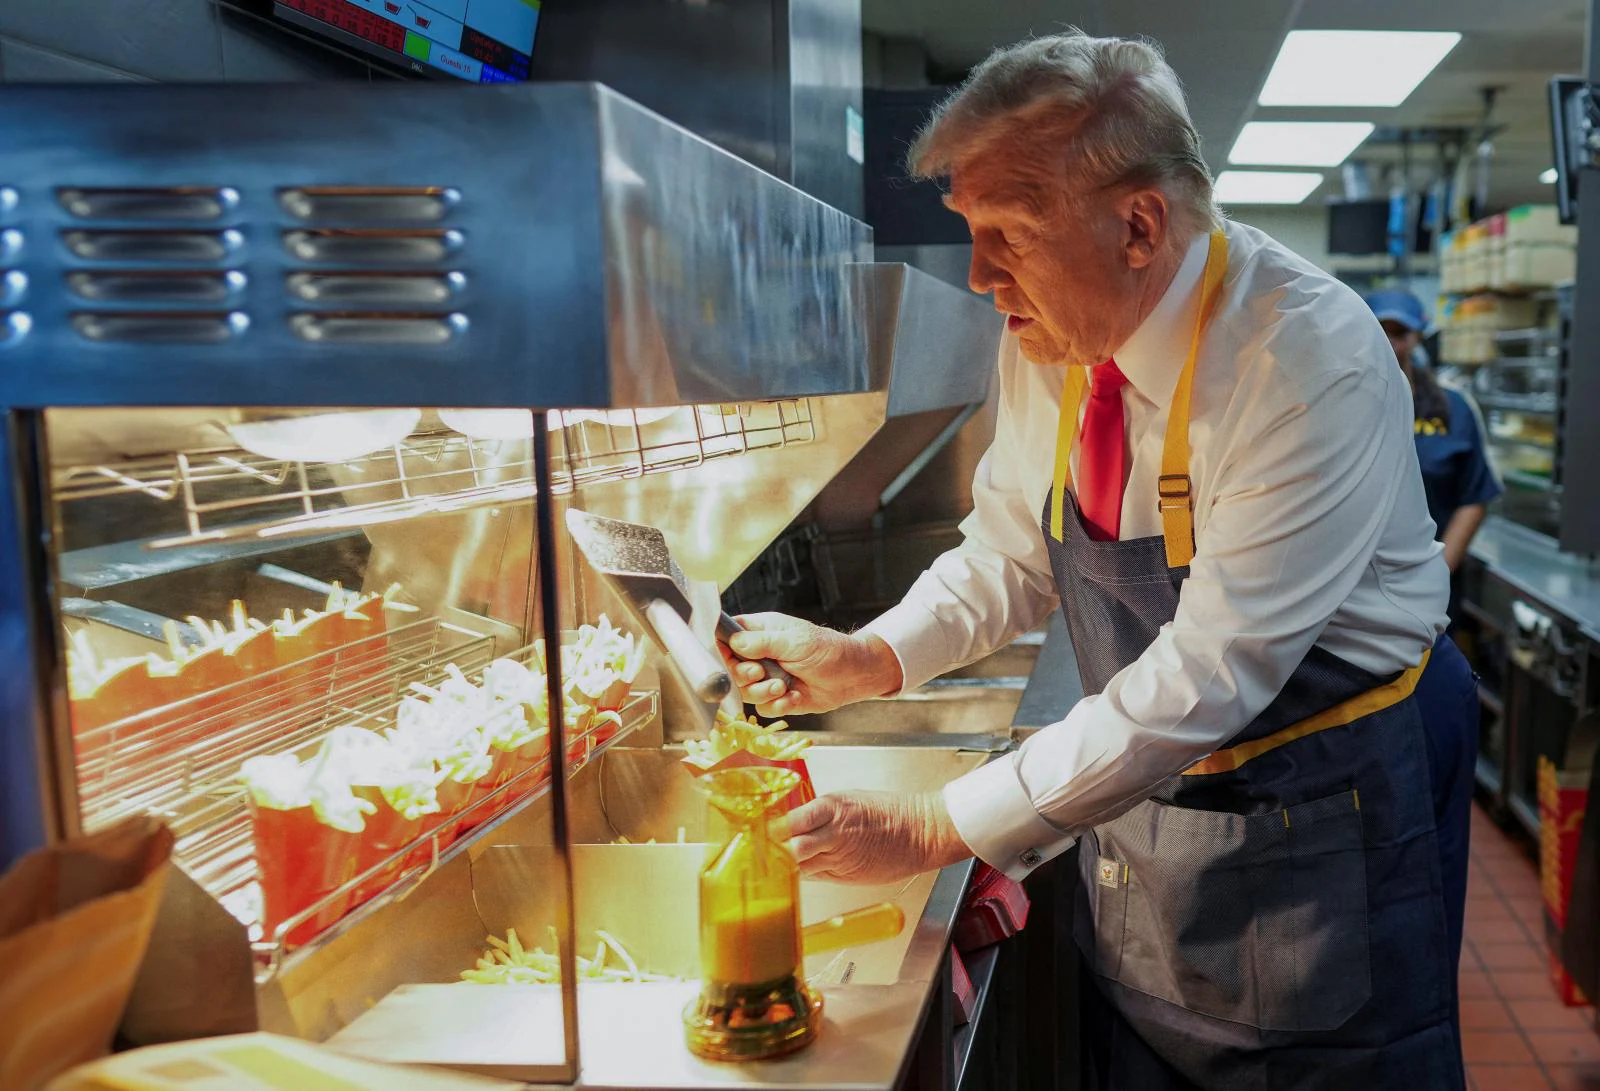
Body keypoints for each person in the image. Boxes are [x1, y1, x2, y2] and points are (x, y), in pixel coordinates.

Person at [720, 32, 1477, 1090]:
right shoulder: (1055, 332)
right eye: (969, 232)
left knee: (1326, 1065)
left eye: (1008, 235)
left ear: (1137, 223)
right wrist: (870, 656)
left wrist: (939, 821)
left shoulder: (1303, 357)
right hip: (1162, 792)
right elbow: (1008, 551)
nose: (981, 276)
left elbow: (1217, 669)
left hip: (1328, 781)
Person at [1366, 288, 1502, 586]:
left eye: (1400, 332)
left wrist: (1435, 576)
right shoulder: (1345, 405)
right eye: (1379, 331)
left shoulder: (1454, 408)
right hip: (1355, 587)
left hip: (1431, 586)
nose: (1390, 343)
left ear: (1417, 337)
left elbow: (1473, 497)